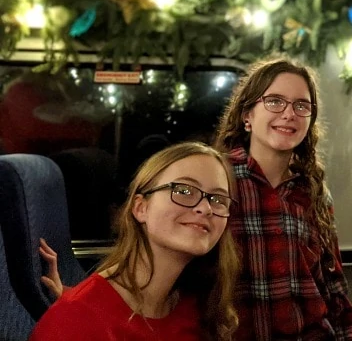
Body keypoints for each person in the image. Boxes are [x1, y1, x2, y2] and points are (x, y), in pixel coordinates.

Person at [214, 57, 352, 340]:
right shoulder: (217, 180)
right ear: (248, 115)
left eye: (301, 105)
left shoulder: (314, 192)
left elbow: (334, 288)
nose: (289, 114)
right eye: (274, 101)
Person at [30, 141, 240, 341]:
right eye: (183, 191)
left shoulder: (201, 307)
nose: (206, 208)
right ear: (141, 208)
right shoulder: (76, 321)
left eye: (218, 199)